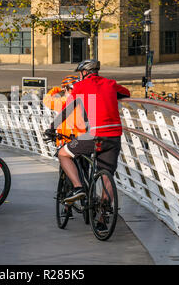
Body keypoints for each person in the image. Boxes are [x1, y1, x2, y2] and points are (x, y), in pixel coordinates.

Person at [46, 59, 130, 209]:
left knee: (62, 154)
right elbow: (126, 93)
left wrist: (52, 128)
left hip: (94, 136)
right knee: (107, 175)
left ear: (84, 73)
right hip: (114, 136)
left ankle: (78, 188)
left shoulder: (79, 87)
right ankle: (103, 221)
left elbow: (66, 110)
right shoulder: (110, 83)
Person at [43, 75, 86, 146]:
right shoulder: (84, 98)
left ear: (66, 88)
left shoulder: (65, 101)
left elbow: (46, 100)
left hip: (69, 137)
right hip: (83, 136)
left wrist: (56, 89)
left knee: (63, 155)